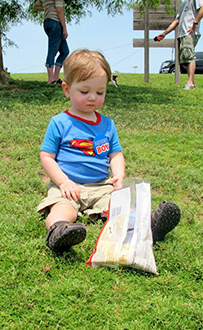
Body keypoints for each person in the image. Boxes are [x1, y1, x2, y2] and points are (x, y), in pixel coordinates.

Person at [37, 49, 181, 252]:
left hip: (102, 185)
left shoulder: (107, 125)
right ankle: (59, 231)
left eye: (100, 92)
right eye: (84, 91)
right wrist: (63, 181)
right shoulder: (59, 123)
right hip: (69, 186)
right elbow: (47, 157)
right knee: (63, 208)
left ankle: (147, 225)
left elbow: (115, 154)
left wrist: (119, 176)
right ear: (67, 89)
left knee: (118, 207)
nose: (92, 98)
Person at [158, 0, 203, 89]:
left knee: (190, 57)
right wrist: (165, 33)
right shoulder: (184, 4)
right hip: (183, 34)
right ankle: (192, 83)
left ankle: (190, 83)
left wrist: (195, 23)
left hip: (190, 33)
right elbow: (177, 20)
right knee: (186, 58)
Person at [34, 0, 69, 84]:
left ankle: (56, 78)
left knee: (65, 51)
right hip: (55, 22)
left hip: (47, 22)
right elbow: (59, 11)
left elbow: (36, 6)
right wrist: (65, 29)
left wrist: (47, 8)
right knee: (52, 50)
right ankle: (51, 79)